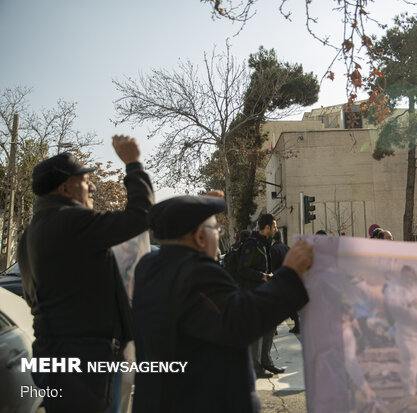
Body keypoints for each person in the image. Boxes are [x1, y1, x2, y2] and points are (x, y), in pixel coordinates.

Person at [131, 195, 313, 413]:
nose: (218, 236)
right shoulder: (197, 272)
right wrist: (290, 275)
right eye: (216, 230)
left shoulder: (149, 266)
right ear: (200, 237)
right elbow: (240, 321)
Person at [18, 136, 154, 413]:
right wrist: (133, 164)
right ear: (65, 187)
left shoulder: (30, 233)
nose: (91, 186)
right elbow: (141, 216)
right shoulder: (71, 221)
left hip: (55, 357)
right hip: (85, 364)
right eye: (84, 180)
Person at [237, 213, 284, 377]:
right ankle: (256, 369)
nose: (276, 229)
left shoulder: (264, 244)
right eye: (275, 227)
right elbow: (242, 269)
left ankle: (266, 362)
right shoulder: (252, 244)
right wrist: (262, 276)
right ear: (267, 228)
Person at [383, 266, 417, 396]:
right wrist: (409, 305)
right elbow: (393, 307)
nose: (408, 277)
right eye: (406, 274)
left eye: (410, 274)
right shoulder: (393, 288)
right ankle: (410, 391)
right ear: (401, 274)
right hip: (405, 329)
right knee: (410, 360)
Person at [271, 231, 299, 333]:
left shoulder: (273, 249)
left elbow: (272, 266)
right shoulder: (287, 247)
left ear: (273, 238)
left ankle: (274, 329)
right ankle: (297, 324)